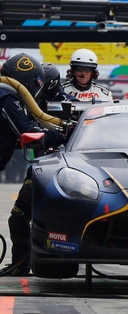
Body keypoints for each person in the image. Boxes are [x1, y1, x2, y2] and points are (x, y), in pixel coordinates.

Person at [0, 53, 68, 276]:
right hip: (48, 166)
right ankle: (22, 266)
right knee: (19, 219)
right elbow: (30, 134)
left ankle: (22, 266)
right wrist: (61, 134)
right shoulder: (7, 96)